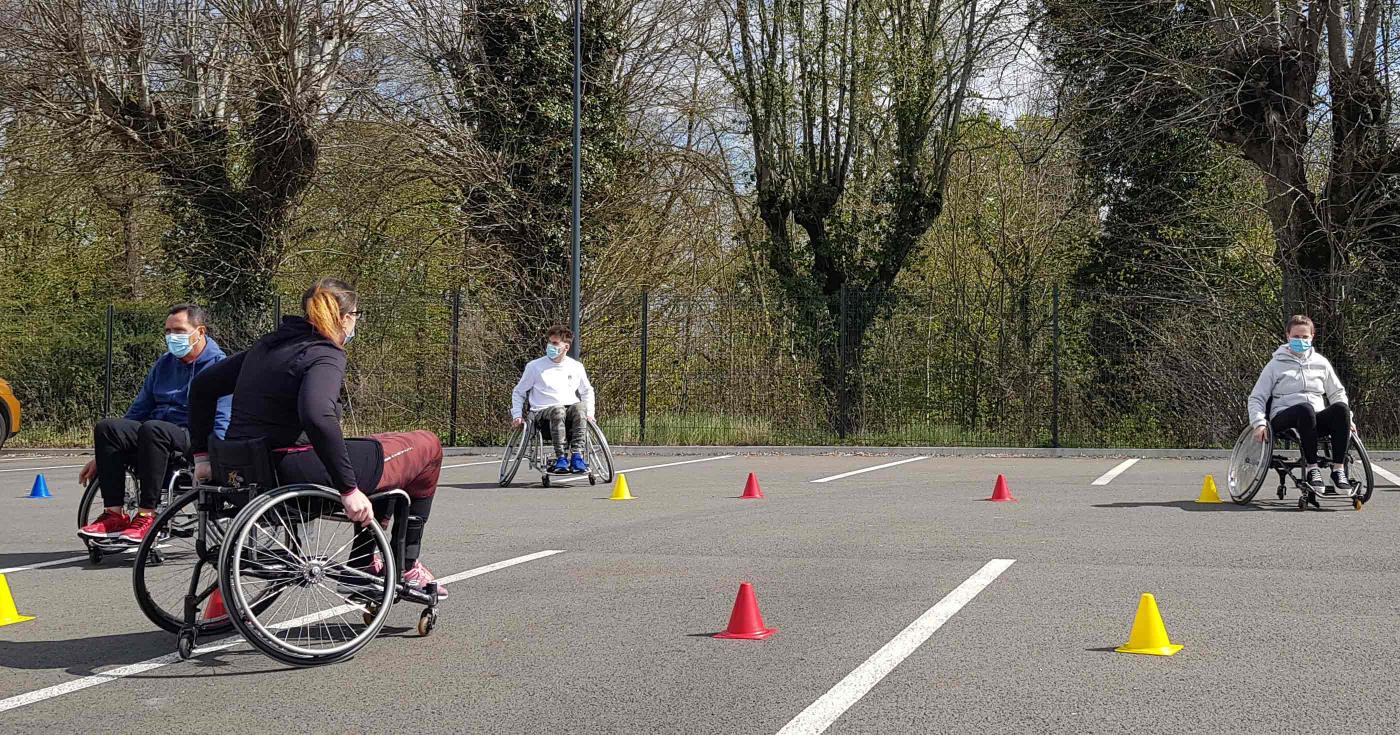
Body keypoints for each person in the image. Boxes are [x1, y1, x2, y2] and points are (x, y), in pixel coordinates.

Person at [186, 278, 446, 595]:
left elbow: (201, 388)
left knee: (380, 448)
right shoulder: (324, 353)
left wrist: (201, 455)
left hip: (245, 471)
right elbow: (317, 414)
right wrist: (348, 489)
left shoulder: (267, 347)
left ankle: (364, 561)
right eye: (356, 317)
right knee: (427, 446)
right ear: (346, 317)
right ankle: (405, 565)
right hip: (296, 471)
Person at [78, 304, 231, 543]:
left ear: (200, 332)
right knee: (109, 427)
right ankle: (114, 515)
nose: (172, 337)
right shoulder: (164, 364)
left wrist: (215, 457)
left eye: (178, 330)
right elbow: (139, 409)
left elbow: (223, 416)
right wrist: (105, 454)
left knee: (153, 428)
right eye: (168, 331)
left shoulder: (219, 366)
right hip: (157, 432)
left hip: (193, 435)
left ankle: (147, 515)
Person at [1248, 314, 1354, 494]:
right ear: (1288, 336)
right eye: (1296, 337)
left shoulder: (1321, 363)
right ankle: (1312, 469)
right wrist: (1258, 423)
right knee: (1305, 408)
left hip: (1314, 418)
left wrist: (1348, 420)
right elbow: (1256, 397)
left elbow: (1337, 393)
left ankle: (1338, 471)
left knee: (1341, 409)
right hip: (1285, 416)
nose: (1300, 340)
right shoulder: (1275, 365)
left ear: (1312, 337)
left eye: (1305, 337)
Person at [511, 325, 596, 474]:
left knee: (580, 407)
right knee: (558, 410)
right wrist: (517, 415)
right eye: (550, 342)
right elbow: (519, 392)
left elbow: (587, 391)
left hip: (569, 411)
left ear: (566, 347)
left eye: (555, 343)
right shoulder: (534, 367)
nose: (551, 346)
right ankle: (561, 458)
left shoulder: (576, 367)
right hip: (542, 413)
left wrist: (591, 413)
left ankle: (577, 456)